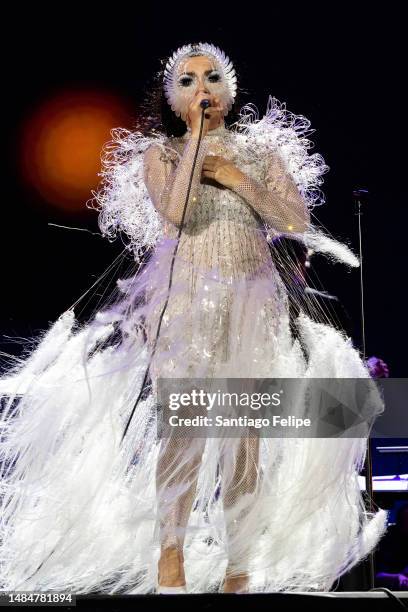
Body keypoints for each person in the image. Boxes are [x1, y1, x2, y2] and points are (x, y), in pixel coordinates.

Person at [0, 41, 387, 595]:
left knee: (245, 440)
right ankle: (170, 554)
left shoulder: (258, 154)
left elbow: (296, 221)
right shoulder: (161, 153)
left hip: (251, 307)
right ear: (171, 97)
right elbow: (176, 213)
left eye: (211, 77)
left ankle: (240, 563)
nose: (201, 87)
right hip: (185, 305)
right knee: (184, 434)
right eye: (187, 80)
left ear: (229, 89)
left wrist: (239, 178)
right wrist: (198, 145)